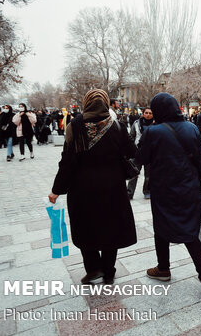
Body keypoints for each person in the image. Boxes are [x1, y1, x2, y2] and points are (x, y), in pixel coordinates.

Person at [49, 89, 137, 285]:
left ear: (86, 102)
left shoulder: (75, 126)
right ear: (106, 103)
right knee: (110, 227)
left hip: (82, 188)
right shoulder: (117, 126)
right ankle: (108, 271)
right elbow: (132, 151)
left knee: (85, 227)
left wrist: (56, 190)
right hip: (112, 187)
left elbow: (67, 162)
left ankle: (93, 269)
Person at [136, 92, 201, 295]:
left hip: (163, 190)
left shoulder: (153, 132)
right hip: (189, 189)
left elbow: (141, 158)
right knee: (190, 231)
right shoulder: (191, 128)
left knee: (161, 227)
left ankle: (163, 268)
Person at [127, 107, 154, 199]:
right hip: (137, 152)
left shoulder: (156, 124)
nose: (148, 115)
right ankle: (129, 192)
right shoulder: (136, 123)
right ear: (143, 113)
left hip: (150, 153)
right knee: (133, 173)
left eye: (150, 113)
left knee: (148, 175)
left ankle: (147, 191)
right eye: (146, 113)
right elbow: (131, 137)